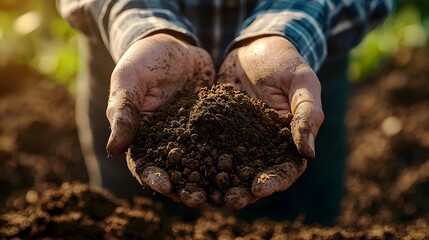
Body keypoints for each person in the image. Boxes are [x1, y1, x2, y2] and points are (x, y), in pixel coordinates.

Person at [57, 0, 395, 225]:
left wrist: (287, 30)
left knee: (303, 220)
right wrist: (141, 25)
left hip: (299, 63)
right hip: (136, 69)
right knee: (131, 222)